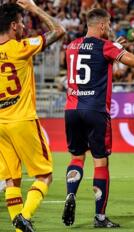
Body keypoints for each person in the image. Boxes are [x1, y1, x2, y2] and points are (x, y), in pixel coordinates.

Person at [62, 8, 134, 228]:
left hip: (72, 109)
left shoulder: (71, 47)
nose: (109, 28)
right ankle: (100, 218)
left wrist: (115, 48)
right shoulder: (106, 46)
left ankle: (70, 194)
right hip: (95, 110)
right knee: (100, 161)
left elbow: (93, 60)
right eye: (108, 24)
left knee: (77, 157)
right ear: (102, 25)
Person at [0, 0, 65, 231]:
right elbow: (59, 31)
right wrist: (35, 9)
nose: (25, 27)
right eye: (23, 23)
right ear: (14, 26)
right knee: (44, 175)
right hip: (23, 119)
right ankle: (24, 217)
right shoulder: (21, 47)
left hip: (0, 125)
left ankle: (19, 229)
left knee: (11, 179)